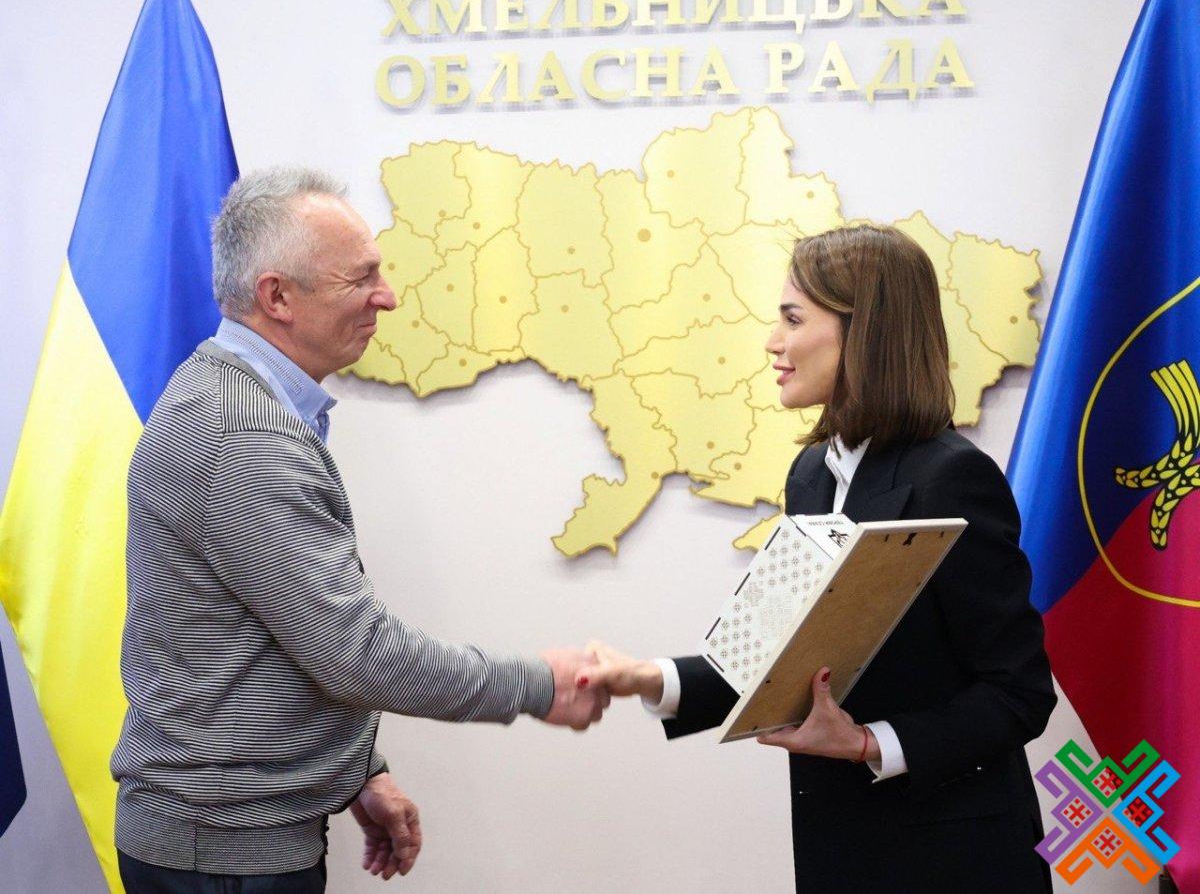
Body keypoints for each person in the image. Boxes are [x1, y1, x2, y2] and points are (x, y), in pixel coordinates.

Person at [110, 167, 606, 893]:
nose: (388, 296)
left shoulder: (238, 402)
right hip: (223, 856)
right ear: (278, 297)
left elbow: (272, 638)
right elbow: (356, 652)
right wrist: (538, 684)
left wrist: (359, 771)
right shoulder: (242, 436)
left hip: (228, 840)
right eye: (361, 278)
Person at [581, 225, 1057, 893]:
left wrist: (869, 742)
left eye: (793, 318)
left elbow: (1020, 694)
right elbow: (780, 655)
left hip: (952, 861)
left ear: (865, 332)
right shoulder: (811, 473)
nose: (773, 342)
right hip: (842, 852)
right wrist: (645, 677)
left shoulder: (952, 478)